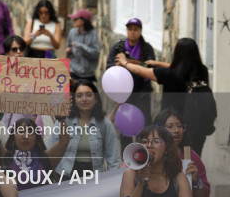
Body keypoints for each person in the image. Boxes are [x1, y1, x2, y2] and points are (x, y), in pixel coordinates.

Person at [116, 38, 211, 155]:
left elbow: (139, 71)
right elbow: (183, 66)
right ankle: (188, 172)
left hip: (171, 126)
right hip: (194, 126)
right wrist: (157, 63)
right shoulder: (202, 71)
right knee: (189, 158)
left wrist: (124, 62)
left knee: (169, 158)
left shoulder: (170, 74)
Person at [48, 80, 119, 177]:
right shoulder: (64, 121)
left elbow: (113, 159)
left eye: (89, 95)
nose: (84, 99)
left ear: (96, 99)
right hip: (65, 176)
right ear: (73, 99)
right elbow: (50, 150)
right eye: (79, 95)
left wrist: (112, 181)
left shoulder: (105, 124)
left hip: (94, 177)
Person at [154, 108, 211, 197]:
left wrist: (196, 181)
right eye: (170, 126)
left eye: (179, 126)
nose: (176, 130)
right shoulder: (151, 155)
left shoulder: (191, 157)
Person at [106, 17, 156, 148]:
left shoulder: (147, 48)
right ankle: (126, 158)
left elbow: (150, 67)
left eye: (136, 29)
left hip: (142, 92)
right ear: (126, 30)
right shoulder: (118, 47)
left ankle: (144, 154)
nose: (132, 32)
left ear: (140, 31)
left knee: (144, 125)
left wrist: (128, 62)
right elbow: (109, 66)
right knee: (125, 125)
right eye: (130, 29)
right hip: (124, 93)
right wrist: (117, 65)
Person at [4, 117, 69, 190]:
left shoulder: (46, 158)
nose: (26, 136)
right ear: (13, 137)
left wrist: (61, 119)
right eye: (21, 131)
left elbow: (64, 141)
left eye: (30, 132)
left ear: (36, 137)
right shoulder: (4, 156)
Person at [66, 9, 100, 81]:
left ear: (83, 21)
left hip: (88, 75)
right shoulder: (72, 32)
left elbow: (96, 54)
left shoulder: (93, 34)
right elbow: (68, 51)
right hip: (73, 72)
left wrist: (80, 46)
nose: (73, 20)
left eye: (75, 19)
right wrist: (69, 51)